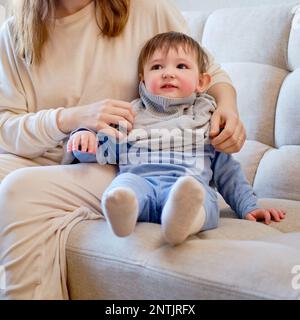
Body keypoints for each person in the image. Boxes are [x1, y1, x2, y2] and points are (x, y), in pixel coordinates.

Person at [0, 0, 246, 300]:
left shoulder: (147, 9)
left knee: (20, 190)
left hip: (118, 161)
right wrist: (71, 117)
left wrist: (229, 110)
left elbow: (212, 76)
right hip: (35, 155)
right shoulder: (15, 32)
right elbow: (5, 126)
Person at [65, 31, 286, 246]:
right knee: (124, 186)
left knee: (200, 198)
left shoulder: (207, 118)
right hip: (141, 181)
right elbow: (107, 150)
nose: (168, 73)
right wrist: (85, 140)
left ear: (202, 82)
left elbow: (226, 170)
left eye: (181, 66)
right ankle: (123, 212)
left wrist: (249, 205)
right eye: (157, 67)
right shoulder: (131, 114)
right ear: (142, 80)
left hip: (189, 183)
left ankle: (183, 220)